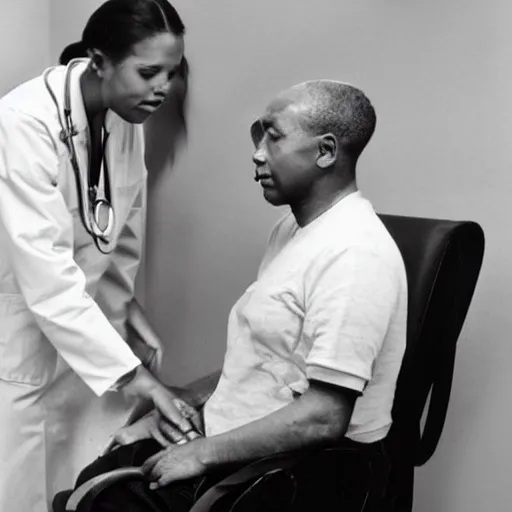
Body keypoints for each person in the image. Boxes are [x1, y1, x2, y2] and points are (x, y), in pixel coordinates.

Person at [53, 80, 408, 512]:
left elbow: (324, 417)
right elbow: (265, 361)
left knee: (105, 503)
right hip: (238, 436)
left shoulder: (355, 254)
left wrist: (200, 452)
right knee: (100, 474)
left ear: (326, 151)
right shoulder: (294, 231)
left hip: (303, 469)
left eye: (273, 137)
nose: (258, 153)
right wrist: (185, 409)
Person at [0, 1, 199, 511]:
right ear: (98, 61)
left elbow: (121, 237)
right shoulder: (23, 122)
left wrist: (124, 311)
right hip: (25, 336)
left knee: (79, 482)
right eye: (148, 71)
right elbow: (44, 273)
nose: (163, 88)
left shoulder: (124, 117)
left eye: (171, 73)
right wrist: (137, 377)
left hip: (86, 339)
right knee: (21, 488)